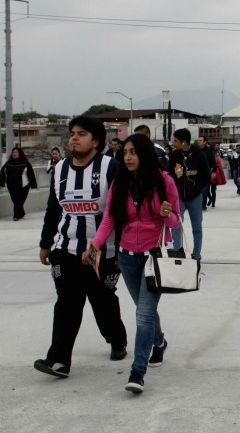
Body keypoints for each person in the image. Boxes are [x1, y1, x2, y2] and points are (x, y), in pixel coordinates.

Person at [85, 133, 180, 394]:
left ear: (145, 154)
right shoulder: (120, 183)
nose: (127, 157)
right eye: (125, 152)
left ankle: (137, 372)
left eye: (133, 152)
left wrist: (167, 214)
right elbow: (109, 220)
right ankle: (159, 341)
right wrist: (96, 244)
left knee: (144, 314)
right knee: (143, 309)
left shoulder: (164, 181)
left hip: (154, 257)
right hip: (126, 257)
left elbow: (176, 220)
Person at [34, 116, 128, 379]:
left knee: (103, 302)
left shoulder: (111, 167)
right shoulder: (60, 169)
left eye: (82, 134)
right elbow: (54, 209)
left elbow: (120, 212)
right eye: (72, 133)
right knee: (66, 304)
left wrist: (120, 249)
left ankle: (117, 339)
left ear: (96, 141)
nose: (74, 138)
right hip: (65, 249)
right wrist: (45, 243)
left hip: (102, 251)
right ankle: (58, 361)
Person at [168, 128, 209, 260]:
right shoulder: (174, 156)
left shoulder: (199, 155)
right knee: (176, 225)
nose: (173, 143)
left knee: (197, 228)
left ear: (184, 142)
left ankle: (196, 255)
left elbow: (206, 175)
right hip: (179, 198)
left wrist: (198, 190)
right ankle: (176, 252)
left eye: (176, 141)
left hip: (195, 198)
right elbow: (170, 175)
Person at [0, 147, 38, 221]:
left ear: (19, 153)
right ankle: (18, 214)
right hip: (11, 186)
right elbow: (2, 172)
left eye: (16, 152)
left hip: (24, 186)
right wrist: (1, 183)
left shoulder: (25, 163)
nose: (14, 154)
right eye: (13, 152)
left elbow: (31, 174)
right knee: (15, 200)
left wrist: (33, 185)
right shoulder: (8, 163)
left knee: (20, 201)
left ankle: (18, 214)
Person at [197, 136, 217, 211]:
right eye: (198, 140)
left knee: (205, 190)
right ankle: (198, 204)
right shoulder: (195, 150)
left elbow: (213, 163)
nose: (199, 141)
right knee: (198, 191)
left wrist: (214, 172)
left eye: (200, 140)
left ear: (205, 142)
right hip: (196, 174)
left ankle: (203, 205)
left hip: (206, 174)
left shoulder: (209, 151)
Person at [208, 143, 227, 208]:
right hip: (208, 173)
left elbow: (219, 165)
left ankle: (213, 202)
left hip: (214, 173)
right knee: (206, 190)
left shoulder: (216, 156)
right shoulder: (212, 155)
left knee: (212, 189)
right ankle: (211, 199)